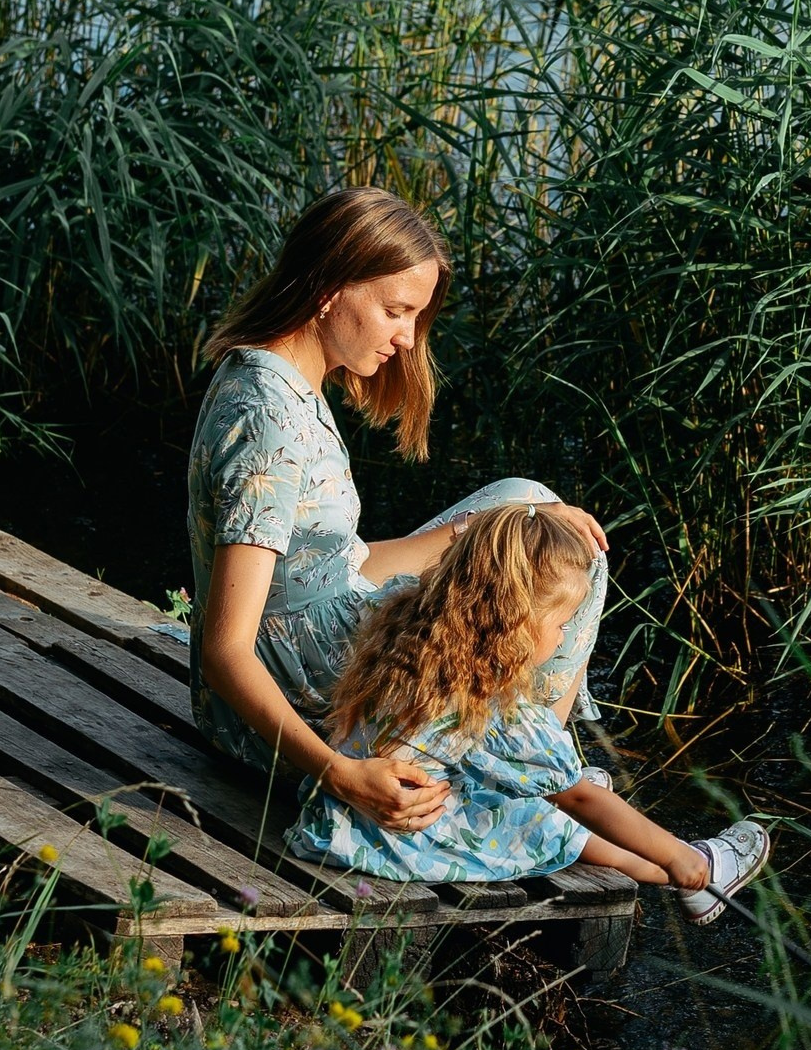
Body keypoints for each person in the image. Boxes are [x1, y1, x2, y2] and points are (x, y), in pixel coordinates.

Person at [188, 187, 606, 831]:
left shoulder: (276, 377)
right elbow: (225, 649)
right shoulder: (270, 420)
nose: (408, 340)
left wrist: (487, 532)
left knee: (534, 510)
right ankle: (532, 782)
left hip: (317, 649)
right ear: (332, 284)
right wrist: (339, 772)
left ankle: (529, 762)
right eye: (394, 311)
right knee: (569, 564)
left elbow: (326, 568)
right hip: (305, 712)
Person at [286, 505, 770, 919]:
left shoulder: (405, 622)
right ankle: (692, 875)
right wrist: (674, 855)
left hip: (338, 814)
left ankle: (665, 857)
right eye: (559, 624)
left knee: (531, 792)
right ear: (516, 625)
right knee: (548, 817)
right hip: (388, 841)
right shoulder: (486, 702)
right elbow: (579, 800)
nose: (562, 638)